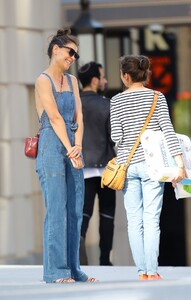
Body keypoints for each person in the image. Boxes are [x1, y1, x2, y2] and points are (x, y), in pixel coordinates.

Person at [110, 55, 187, 280]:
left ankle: (142, 271)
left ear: (125, 76)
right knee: (151, 218)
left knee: (134, 220)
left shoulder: (116, 101)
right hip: (153, 165)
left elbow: (116, 136)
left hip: (127, 165)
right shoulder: (157, 97)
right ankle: (152, 271)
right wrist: (179, 164)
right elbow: (168, 131)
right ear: (145, 75)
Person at [35, 28, 97, 283]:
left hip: (73, 146)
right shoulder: (42, 80)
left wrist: (78, 146)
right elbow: (55, 117)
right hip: (51, 145)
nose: (73, 57)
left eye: (76, 54)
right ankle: (55, 271)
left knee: (74, 209)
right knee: (57, 209)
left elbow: (79, 117)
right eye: (70, 52)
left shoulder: (72, 81)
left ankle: (74, 269)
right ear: (56, 50)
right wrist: (70, 147)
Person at [77, 62, 116, 266]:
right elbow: (115, 137)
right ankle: (105, 261)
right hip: (107, 169)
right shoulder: (107, 104)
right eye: (102, 76)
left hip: (82, 169)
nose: (105, 80)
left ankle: (79, 250)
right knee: (107, 215)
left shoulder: (74, 104)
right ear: (94, 80)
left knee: (83, 213)